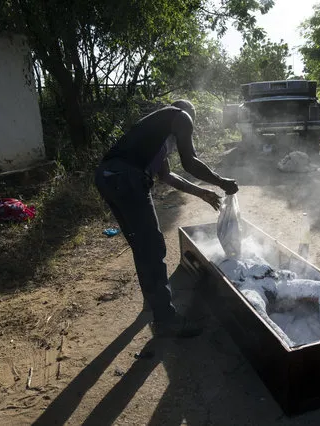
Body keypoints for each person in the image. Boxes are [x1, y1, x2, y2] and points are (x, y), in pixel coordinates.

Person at [94, 100, 239, 338]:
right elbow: (189, 162)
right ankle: (166, 319)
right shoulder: (181, 116)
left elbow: (168, 176)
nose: (187, 131)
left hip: (108, 178)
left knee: (143, 247)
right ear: (185, 115)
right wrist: (222, 182)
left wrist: (202, 192)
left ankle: (157, 304)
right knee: (152, 247)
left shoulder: (154, 137)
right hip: (126, 178)